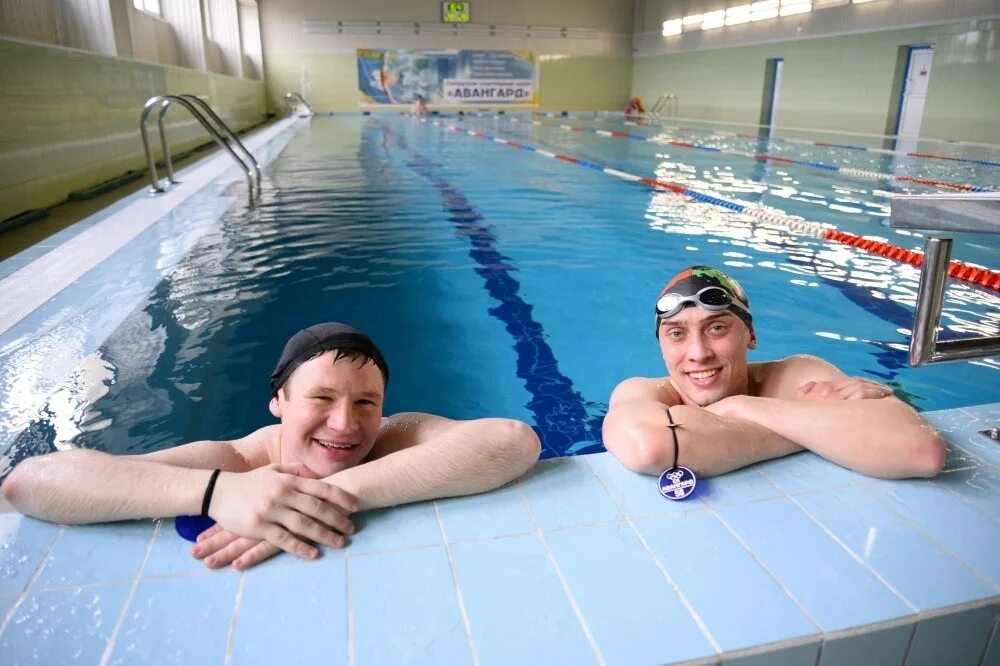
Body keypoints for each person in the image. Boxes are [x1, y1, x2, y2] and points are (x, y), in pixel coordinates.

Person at [2, 323, 541, 570]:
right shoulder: (234, 461)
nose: (344, 423)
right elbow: (29, 482)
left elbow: (513, 441)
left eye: (365, 403)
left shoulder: (397, 434)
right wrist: (216, 493)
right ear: (278, 400)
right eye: (321, 398)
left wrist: (330, 494)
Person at [602, 266, 945, 480]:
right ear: (661, 344)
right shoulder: (641, 392)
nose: (698, 353)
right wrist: (813, 426)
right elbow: (649, 448)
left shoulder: (798, 372)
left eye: (717, 328)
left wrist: (741, 407)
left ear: (750, 336)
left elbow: (920, 451)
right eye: (677, 334)